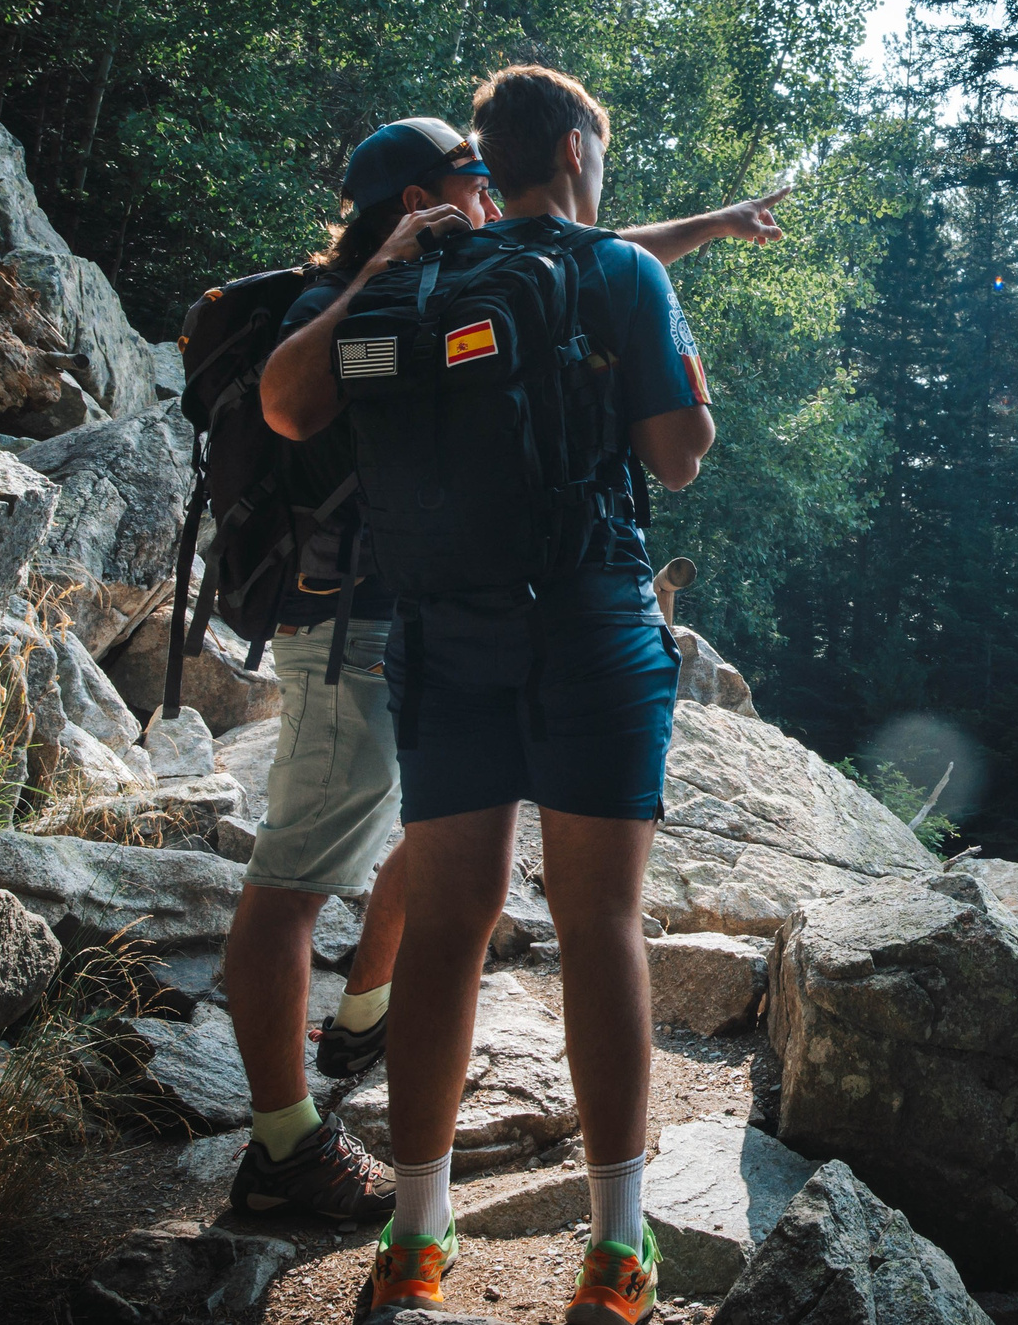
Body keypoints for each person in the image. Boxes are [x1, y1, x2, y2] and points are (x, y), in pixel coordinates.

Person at [224, 114, 782, 1226]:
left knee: (443, 916)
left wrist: (710, 228)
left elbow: (584, 260)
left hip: (432, 629)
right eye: (458, 179)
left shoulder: (433, 279)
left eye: (482, 172)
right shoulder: (481, 275)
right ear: (574, 148)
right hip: (522, 624)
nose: (476, 193)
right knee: (593, 923)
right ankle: (614, 1245)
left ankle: (412, 1231)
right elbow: (675, 454)